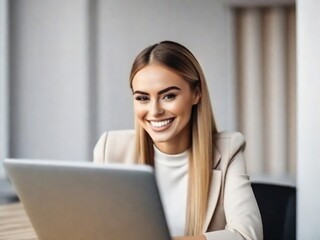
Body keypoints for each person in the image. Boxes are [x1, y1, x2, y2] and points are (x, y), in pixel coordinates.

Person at [93, 41, 263, 240]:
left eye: (168, 96)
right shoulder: (110, 149)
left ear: (196, 94)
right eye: (142, 98)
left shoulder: (228, 150)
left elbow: (248, 235)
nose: (155, 111)